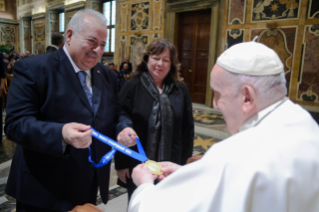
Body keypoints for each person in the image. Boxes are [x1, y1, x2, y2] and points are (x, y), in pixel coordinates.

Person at [128, 42, 319, 212]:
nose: (215, 104)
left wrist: (144, 185)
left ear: (247, 97)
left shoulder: (233, 156)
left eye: (218, 94)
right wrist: (189, 172)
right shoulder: (305, 124)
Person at [5, 8, 136, 212]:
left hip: (87, 183)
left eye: (103, 44)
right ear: (69, 35)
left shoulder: (106, 75)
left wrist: (123, 127)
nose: (98, 50)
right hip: (43, 188)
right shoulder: (34, 69)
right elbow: (15, 124)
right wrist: (61, 134)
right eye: (92, 41)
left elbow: (117, 112)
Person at [115, 38, 194, 200]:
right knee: (140, 203)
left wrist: (183, 165)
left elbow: (188, 129)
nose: (160, 64)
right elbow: (120, 121)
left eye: (166, 60)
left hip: (171, 164)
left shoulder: (180, 89)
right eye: (156, 58)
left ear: (172, 64)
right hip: (138, 164)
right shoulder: (133, 86)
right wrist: (121, 163)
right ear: (147, 59)